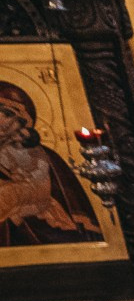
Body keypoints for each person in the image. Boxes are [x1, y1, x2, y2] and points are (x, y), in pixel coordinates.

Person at [0, 83, 104, 248]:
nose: (1, 120)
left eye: (8, 114)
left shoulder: (43, 156)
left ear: (22, 125)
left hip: (32, 227)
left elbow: (42, 192)